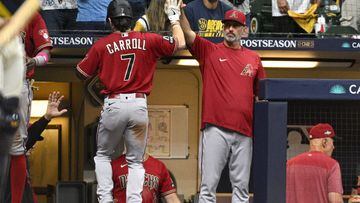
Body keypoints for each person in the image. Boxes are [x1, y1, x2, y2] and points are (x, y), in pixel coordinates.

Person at [75, 0, 185, 202]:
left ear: (110, 21)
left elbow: (81, 73)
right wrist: (173, 17)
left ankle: (105, 199)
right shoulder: (148, 39)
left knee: (102, 155)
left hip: (114, 103)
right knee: (135, 161)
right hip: (138, 104)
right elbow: (181, 43)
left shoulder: (102, 45)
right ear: (132, 20)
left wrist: (106, 65)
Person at [180, 8, 266, 202]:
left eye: (235, 26)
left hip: (244, 131)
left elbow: (261, 96)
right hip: (215, 128)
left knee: (242, 188)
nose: (230, 29)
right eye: (227, 25)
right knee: (208, 186)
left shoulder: (254, 58)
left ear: (244, 30)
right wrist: (179, 13)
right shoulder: (210, 50)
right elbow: (188, 34)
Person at [7, 12, 52, 203]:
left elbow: (45, 52)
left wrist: (34, 60)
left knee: (17, 145)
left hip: (18, 82)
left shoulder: (31, 15)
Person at [3, 91, 67, 203]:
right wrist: (46, 118)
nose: (32, 147)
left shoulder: (22, 163)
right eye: (31, 143)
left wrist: (47, 117)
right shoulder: (8, 158)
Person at [286, 123, 344, 203]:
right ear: (325, 142)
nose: (333, 147)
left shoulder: (289, 164)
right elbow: (335, 200)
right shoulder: (332, 165)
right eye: (332, 142)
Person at [111, 153, 181, 203]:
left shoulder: (159, 166)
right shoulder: (114, 165)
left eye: (141, 135)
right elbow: (104, 195)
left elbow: (171, 198)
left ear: (147, 138)